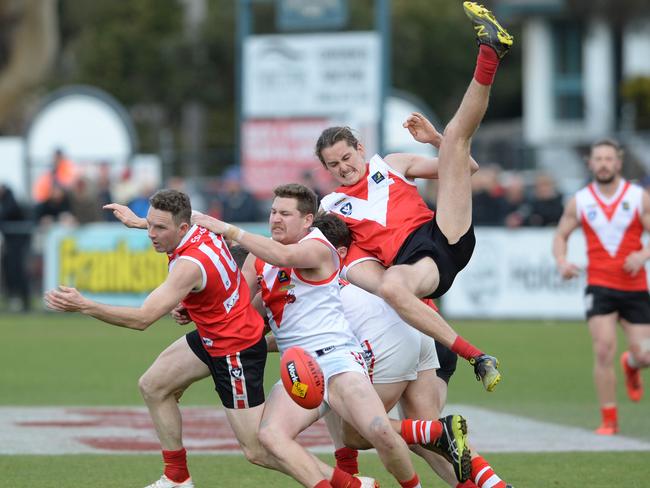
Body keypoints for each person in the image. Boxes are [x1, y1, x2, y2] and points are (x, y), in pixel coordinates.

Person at [46, 189, 375, 488]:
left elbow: (143, 319)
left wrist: (83, 305)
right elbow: (178, 232)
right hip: (213, 334)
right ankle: (177, 477)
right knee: (154, 385)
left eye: (159, 229)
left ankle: (351, 486)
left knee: (258, 451)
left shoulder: (189, 265)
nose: (152, 235)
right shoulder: (199, 227)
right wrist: (137, 222)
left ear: (183, 228)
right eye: (150, 226)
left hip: (235, 349)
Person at [192, 183, 473, 487]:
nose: (275, 218)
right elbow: (239, 306)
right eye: (273, 212)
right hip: (300, 367)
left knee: (379, 432)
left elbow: (284, 257)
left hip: (339, 361)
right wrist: (194, 304)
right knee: (270, 437)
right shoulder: (259, 259)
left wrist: (229, 230)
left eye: (285, 213)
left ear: (307, 220)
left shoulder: (318, 246)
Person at [316, 2, 513, 391]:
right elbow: (358, 267)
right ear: (327, 170)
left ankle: (490, 51)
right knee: (392, 287)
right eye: (333, 165)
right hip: (415, 263)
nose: (343, 167)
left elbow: (466, 167)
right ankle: (477, 355)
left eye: (346, 156)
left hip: (444, 231)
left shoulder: (390, 163)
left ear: (359, 147)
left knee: (456, 136)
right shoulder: (330, 207)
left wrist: (435, 140)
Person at [312, 212, 513, 488]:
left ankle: (355, 474)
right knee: (424, 439)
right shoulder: (370, 250)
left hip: (404, 337)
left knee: (369, 426)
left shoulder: (339, 269)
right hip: (427, 335)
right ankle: (496, 486)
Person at [553, 139, 650, 435]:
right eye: (599, 158)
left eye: (609, 158)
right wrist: (562, 262)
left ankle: (632, 364)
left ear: (618, 163)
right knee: (604, 350)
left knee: (645, 355)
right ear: (591, 163)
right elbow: (561, 236)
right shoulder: (580, 201)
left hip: (634, 286)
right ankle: (609, 419)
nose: (604, 163)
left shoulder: (637, 197)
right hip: (600, 286)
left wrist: (643, 254)